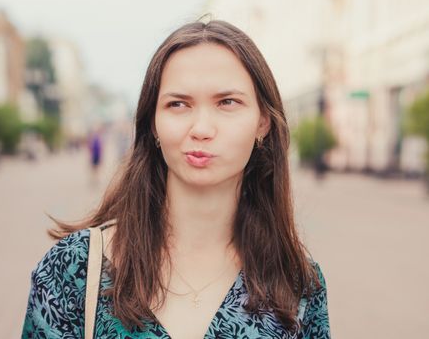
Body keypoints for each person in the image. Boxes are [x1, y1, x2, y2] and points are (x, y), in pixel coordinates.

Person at [22, 19, 331, 339]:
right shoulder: (75, 268)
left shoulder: (297, 284)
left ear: (262, 123)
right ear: (153, 124)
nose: (201, 128)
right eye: (178, 104)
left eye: (227, 102)